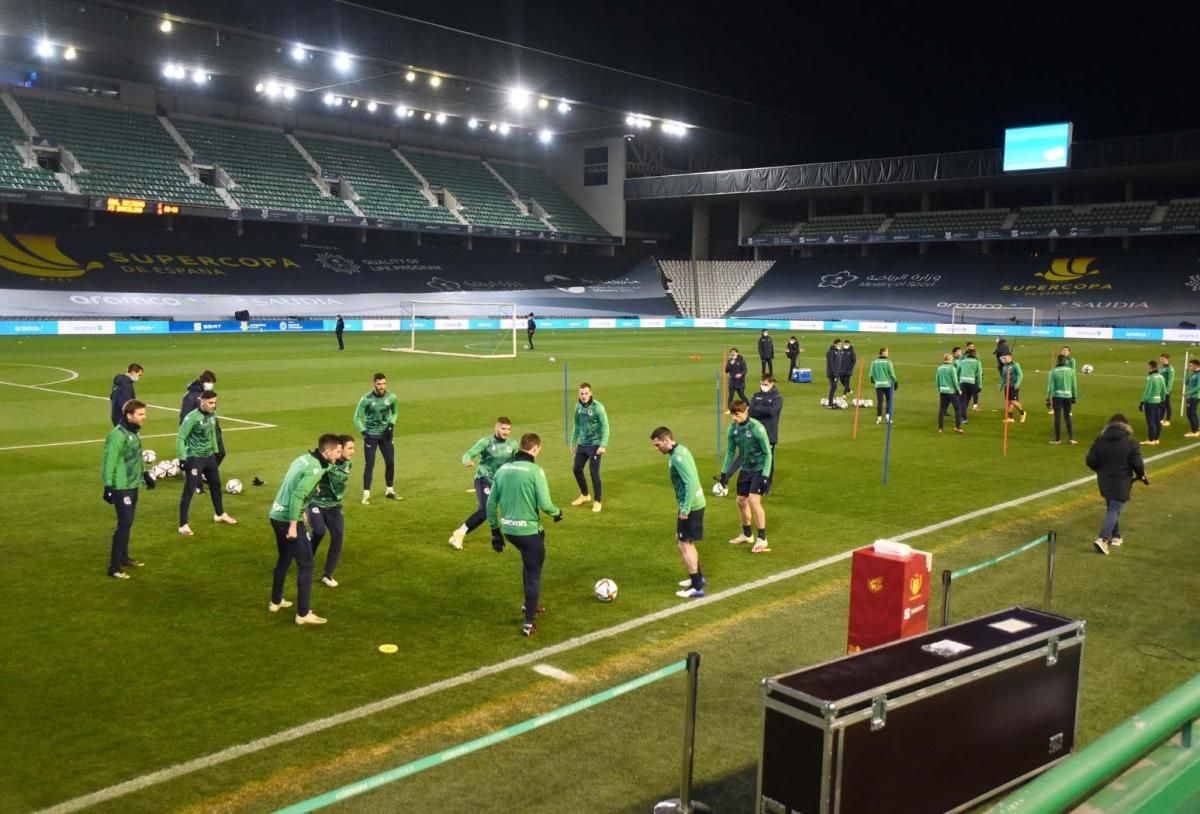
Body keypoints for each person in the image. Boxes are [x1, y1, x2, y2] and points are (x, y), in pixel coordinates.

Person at [487, 432, 563, 636]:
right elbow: (546, 505)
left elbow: (490, 503)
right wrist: (558, 513)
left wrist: (495, 531)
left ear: (520, 446)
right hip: (529, 533)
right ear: (536, 449)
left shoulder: (503, 469)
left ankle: (529, 604)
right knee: (534, 576)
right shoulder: (535, 471)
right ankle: (529, 623)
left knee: (527, 565)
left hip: (509, 531)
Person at [269, 434, 342, 625]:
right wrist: (294, 524)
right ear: (327, 451)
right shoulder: (315, 470)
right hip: (287, 519)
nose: (340, 455)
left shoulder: (303, 458)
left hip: (275, 514)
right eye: (338, 451)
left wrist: (311, 490)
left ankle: (275, 601)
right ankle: (303, 614)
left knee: (284, 559)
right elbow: (297, 495)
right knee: (307, 565)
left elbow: (289, 481)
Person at [650, 427, 707, 599]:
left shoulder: (677, 457)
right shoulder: (681, 450)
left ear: (667, 440)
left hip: (691, 506)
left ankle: (697, 586)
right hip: (695, 503)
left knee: (684, 543)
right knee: (684, 540)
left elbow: (690, 483)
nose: (657, 448)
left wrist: (685, 509)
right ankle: (698, 578)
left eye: (658, 444)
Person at [449, 417, 519, 549]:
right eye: (503, 428)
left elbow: (517, 461)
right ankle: (460, 533)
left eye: (509, 429)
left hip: (500, 483)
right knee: (485, 511)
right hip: (483, 479)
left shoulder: (513, 444)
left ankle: (457, 535)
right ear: (496, 428)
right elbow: (468, 454)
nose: (506, 432)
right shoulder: (486, 442)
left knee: (497, 511)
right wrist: (467, 461)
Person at [102, 398, 153, 578]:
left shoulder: (133, 432)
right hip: (121, 486)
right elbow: (109, 461)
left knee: (128, 523)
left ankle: (123, 557)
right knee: (124, 524)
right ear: (129, 415)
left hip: (133, 484)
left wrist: (145, 474)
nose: (144, 417)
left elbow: (136, 457)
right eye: (140, 414)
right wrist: (108, 485)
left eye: (144, 414)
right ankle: (114, 567)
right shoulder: (118, 434)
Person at [1085, 414, 1148, 555]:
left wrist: (1100, 470)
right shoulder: (1131, 443)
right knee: (1114, 508)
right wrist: (1141, 475)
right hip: (1122, 481)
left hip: (1105, 480)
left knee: (1112, 507)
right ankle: (1102, 538)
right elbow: (1138, 464)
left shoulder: (1099, 441)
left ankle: (1116, 536)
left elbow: (1090, 461)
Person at [716, 400, 773, 554]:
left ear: (746, 411)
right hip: (746, 468)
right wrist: (724, 473)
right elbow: (730, 452)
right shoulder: (732, 429)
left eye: (737, 414)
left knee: (754, 501)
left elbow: (768, 453)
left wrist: (766, 476)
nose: (734, 418)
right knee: (741, 501)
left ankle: (762, 538)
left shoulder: (757, 428)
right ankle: (747, 534)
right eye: (733, 414)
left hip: (759, 469)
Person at [177, 390, 236, 535]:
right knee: (189, 490)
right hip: (195, 458)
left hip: (209, 457)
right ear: (202, 402)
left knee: (216, 485)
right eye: (210, 403)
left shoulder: (212, 415)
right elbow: (180, 437)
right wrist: (182, 458)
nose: (213, 405)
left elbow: (212, 435)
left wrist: (215, 451)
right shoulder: (191, 417)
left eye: (215, 402)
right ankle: (183, 524)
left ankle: (219, 514)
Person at [306, 434, 355, 588]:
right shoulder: (324, 463)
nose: (353, 451)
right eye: (350, 448)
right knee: (319, 532)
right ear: (339, 449)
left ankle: (327, 575)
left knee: (338, 537)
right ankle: (306, 560)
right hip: (316, 504)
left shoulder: (348, 464)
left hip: (334, 507)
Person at [354, 372, 399, 503]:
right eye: (379, 384)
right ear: (374, 383)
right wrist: (363, 432)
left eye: (384, 383)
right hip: (371, 436)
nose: (382, 386)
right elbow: (356, 417)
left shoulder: (391, 397)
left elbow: (395, 412)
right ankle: (366, 494)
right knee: (370, 465)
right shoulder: (366, 399)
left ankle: (390, 490)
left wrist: (391, 425)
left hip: (386, 435)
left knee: (390, 462)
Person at [180, 370, 223, 491]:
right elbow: (184, 416)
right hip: (198, 433)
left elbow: (212, 411)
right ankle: (197, 484)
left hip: (212, 429)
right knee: (198, 458)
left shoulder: (209, 394)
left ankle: (204, 473)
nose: (211, 384)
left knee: (221, 452)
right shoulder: (191, 396)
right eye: (209, 382)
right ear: (203, 381)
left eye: (212, 382)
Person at [570, 383, 609, 512]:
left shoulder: (598, 407)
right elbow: (577, 425)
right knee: (576, 469)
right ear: (579, 394)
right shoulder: (577, 407)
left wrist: (603, 445)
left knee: (593, 472)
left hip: (595, 444)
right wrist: (573, 442)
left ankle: (597, 501)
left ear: (591, 393)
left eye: (586, 393)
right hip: (582, 443)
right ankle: (585, 495)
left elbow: (605, 426)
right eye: (581, 393)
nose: (584, 396)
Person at [1045, 354, 1079, 445]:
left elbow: (1050, 387)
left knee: (1057, 417)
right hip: (1068, 396)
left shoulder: (1053, 371)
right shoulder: (1071, 371)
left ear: (1057, 361)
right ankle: (1071, 438)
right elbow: (1074, 385)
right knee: (1067, 416)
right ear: (1065, 362)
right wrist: (1074, 396)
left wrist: (1047, 399)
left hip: (1057, 396)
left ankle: (1057, 439)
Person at [1139, 360, 1167, 446]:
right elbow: (1164, 390)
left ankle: (1151, 440)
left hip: (1150, 402)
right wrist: (1163, 400)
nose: (1147, 368)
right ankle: (1156, 439)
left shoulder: (1151, 378)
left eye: (1148, 366)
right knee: (1157, 421)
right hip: (1158, 401)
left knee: (1150, 421)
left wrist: (1142, 402)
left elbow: (1148, 391)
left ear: (1151, 367)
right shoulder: (1161, 377)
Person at [936, 353, 964, 434]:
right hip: (951, 392)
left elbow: (937, 381)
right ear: (949, 359)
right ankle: (957, 427)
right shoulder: (952, 368)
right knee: (958, 408)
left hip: (942, 391)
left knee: (942, 410)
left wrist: (939, 389)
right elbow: (955, 381)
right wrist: (959, 390)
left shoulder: (939, 368)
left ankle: (940, 428)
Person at [869, 347, 898, 424]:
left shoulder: (874, 362)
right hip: (888, 385)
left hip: (878, 385)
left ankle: (879, 418)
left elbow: (871, 375)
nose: (888, 353)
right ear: (883, 353)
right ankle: (888, 417)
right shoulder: (888, 362)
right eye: (887, 352)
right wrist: (895, 382)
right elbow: (892, 374)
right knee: (889, 400)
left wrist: (873, 380)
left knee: (880, 401)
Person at [999, 352, 1027, 423]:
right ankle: (1010, 418)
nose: (1004, 359)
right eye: (1003, 358)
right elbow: (1003, 377)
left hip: (1013, 386)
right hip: (1007, 386)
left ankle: (1023, 413)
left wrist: (1017, 384)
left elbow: (1020, 375)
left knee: (1013, 401)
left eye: (1005, 358)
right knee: (1008, 403)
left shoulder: (1015, 365)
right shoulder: (1004, 366)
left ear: (1010, 357)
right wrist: (1001, 386)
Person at [957, 348, 982, 425]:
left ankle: (963, 416)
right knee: (967, 400)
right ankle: (963, 416)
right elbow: (979, 375)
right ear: (974, 354)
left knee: (962, 401)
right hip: (972, 383)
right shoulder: (977, 362)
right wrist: (980, 386)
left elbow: (957, 372)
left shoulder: (962, 361)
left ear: (967, 354)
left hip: (963, 382)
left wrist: (958, 382)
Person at [725, 348, 748, 412]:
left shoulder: (742, 360)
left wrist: (740, 374)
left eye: (734, 352)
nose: (732, 353)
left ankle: (748, 405)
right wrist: (730, 364)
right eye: (731, 352)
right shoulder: (729, 361)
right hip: (732, 381)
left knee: (741, 395)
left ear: (737, 353)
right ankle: (729, 409)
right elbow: (726, 370)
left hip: (740, 382)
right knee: (731, 395)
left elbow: (745, 370)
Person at [825, 338, 844, 407]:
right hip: (832, 373)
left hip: (836, 373)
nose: (840, 345)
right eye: (838, 344)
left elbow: (838, 363)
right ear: (834, 344)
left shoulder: (838, 351)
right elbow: (831, 364)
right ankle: (830, 404)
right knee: (833, 387)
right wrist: (835, 374)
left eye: (840, 344)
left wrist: (840, 371)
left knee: (834, 387)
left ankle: (831, 402)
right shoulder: (831, 352)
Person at [1184, 358, 1200, 438]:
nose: (1190, 367)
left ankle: (1195, 431)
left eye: (1191, 365)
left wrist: (1188, 393)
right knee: (1192, 413)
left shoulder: (1199, 374)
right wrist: (1186, 372)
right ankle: (1197, 427)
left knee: (1190, 414)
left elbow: (1198, 387)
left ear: (1196, 365)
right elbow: (1186, 382)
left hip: (1194, 396)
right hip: (1190, 396)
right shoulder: (1193, 373)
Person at [964, 342, 982, 411]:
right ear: (967, 347)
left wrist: (980, 374)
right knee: (967, 393)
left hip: (975, 376)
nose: (972, 348)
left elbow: (978, 364)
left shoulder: (976, 355)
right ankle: (964, 406)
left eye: (973, 346)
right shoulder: (964, 355)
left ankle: (975, 405)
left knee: (975, 391)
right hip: (967, 376)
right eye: (970, 346)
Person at [1159, 354, 1175, 426]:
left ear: (1166, 359)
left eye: (1162, 359)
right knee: (1161, 404)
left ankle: (1168, 420)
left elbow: (1170, 380)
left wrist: (1167, 390)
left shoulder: (1170, 369)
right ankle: (1161, 418)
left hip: (1166, 390)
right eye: (1160, 359)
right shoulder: (1162, 368)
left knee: (1167, 405)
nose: (1161, 360)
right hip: (1160, 389)